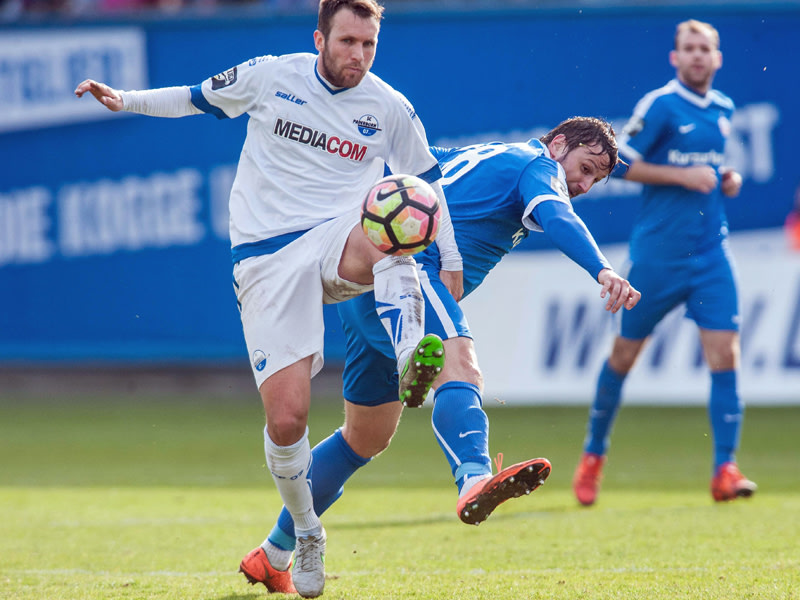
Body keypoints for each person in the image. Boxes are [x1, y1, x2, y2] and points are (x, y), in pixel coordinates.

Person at [75, 1, 463, 597]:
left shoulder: (389, 107)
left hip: (338, 234)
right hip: (264, 255)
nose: (358, 55)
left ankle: (413, 350)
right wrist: (125, 99)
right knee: (287, 422)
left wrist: (453, 261)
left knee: (392, 222)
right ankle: (306, 533)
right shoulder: (272, 75)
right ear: (319, 38)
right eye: (347, 42)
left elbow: (428, 188)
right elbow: (195, 96)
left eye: (369, 44)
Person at [237, 116, 642, 594]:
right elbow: (558, 216)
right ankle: (473, 476)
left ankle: (275, 551)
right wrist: (603, 269)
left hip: (365, 286)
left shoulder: (490, 152)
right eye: (585, 167)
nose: (585, 183)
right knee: (461, 367)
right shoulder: (538, 166)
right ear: (557, 144)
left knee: (364, 438)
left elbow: (407, 176)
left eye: (597, 177)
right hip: (410, 273)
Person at [573, 19, 756, 507]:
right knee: (624, 357)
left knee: (726, 356)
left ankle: (725, 469)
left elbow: (709, 170)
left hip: (712, 254)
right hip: (657, 258)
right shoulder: (659, 105)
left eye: (706, 49)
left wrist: (725, 177)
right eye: (689, 49)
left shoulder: (723, 108)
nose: (698, 56)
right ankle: (593, 456)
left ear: (718, 58)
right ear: (675, 58)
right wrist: (682, 176)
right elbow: (620, 162)